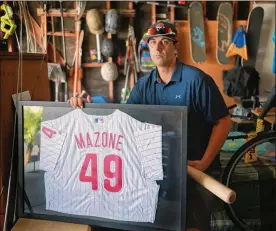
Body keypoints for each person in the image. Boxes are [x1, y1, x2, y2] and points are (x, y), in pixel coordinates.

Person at [69, 21, 232, 231]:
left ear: (176, 46)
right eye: (152, 42)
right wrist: (90, 106)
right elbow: (123, 120)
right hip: (163, 171)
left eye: (164, 41)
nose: (157, 47)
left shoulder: (197, 81)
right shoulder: (144, 85)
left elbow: (224, 122)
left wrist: (203, 162)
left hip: (197, 172)